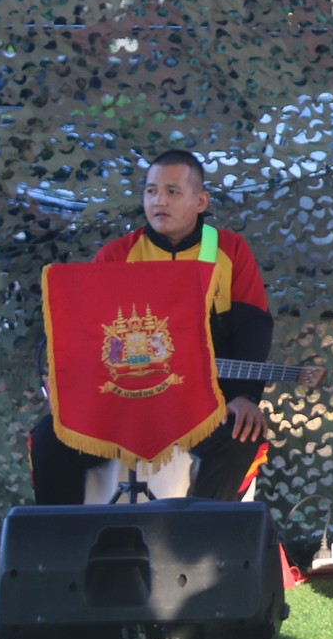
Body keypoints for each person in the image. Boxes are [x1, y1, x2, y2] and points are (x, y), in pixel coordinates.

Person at [27, 150, 274, 504]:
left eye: (172, 192)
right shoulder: (116, 256)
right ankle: (63, 538)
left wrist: (244, 397)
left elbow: (253, 329)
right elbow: (85, 334)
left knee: (242, 435)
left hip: (203, 405)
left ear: (200, 201)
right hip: (123, 402)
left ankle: (203, 534)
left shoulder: (230, 251)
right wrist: (69, 389)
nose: (159, 201)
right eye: (151, 191)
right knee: (50, 439)